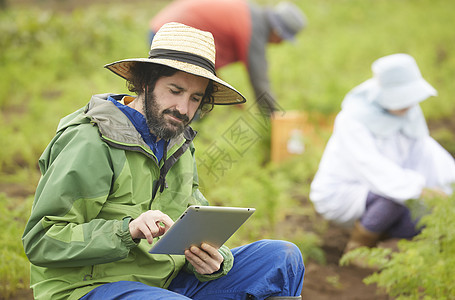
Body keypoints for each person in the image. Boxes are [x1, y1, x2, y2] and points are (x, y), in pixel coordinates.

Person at [21, 22, 304, 299]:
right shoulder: (91, 142)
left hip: (164, 282)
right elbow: (42, 239)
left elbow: (195, 224)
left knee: (282, 258)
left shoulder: (177, 143)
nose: (183, 109)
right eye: (175, 90)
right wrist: (127, 230)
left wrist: (213, 261)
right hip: (88, 287)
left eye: (195, 98)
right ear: (145, 82)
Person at [309, 53, 455, 261]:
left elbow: (426, 151)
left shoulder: (408, 112)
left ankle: (386, 245)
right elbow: (371, 167)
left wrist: (449, 186)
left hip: (390, 188)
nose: (410, 104)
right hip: (344, 193)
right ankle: (357, 252)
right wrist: (420, 189)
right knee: (392, 200)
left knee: (419, 221)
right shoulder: (352, 120)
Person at [149, 0, 307, 116]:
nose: (280, 44)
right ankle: (172, 148)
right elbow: (260, 82)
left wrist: (228, 96)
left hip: (165, 24)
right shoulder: (254, 29)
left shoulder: (251, 14)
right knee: (189, 104)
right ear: (277, 32)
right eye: (283, 39)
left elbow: (206, 64)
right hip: (170, 33)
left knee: (200, 99)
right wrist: (274, 117)